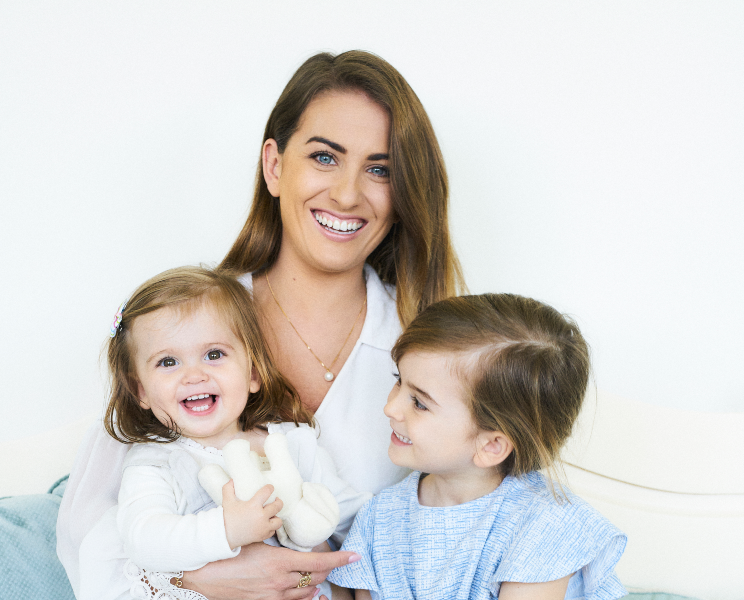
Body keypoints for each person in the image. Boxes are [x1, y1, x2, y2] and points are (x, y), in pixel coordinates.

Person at [56, 49, 465, 600]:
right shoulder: (183, 331)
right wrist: (200, 577)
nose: (347, 194)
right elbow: (87, 536)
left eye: (379, 169)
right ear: (274, 165)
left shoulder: (426, 354)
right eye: (324, 158)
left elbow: (463, 525)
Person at [76, 266, 372, 600]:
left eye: (214, 354)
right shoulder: (157, 463)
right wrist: (226, 529)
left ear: (253, 374)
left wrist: (364, 583)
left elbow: (355, 519)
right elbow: (144, 538)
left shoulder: (293, 443)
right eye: (168, 362)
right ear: (140, 390)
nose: (193, 375)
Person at [328, 294, 628, 600]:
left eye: (419, 403)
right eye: (398, 380)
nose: (391, 407)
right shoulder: (378, 518)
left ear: (492, 446)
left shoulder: (545, 525)